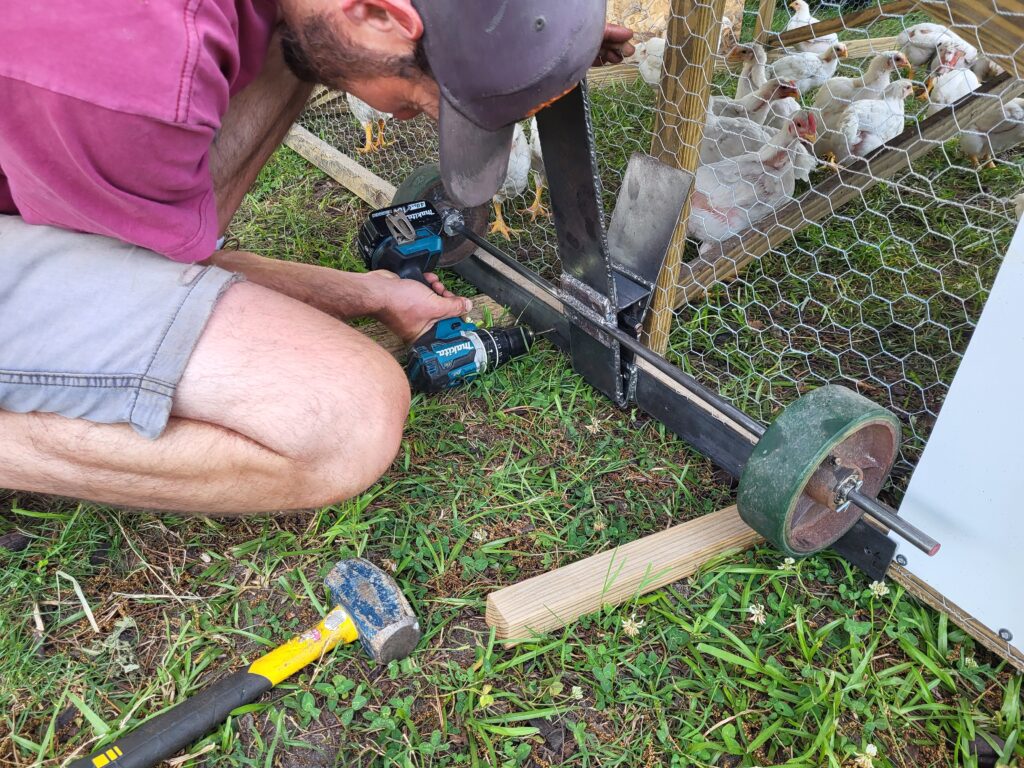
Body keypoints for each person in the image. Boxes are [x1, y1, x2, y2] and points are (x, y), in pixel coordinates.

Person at [0, 0, 633, 515]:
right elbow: (138, 277)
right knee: (348, 419)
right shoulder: (138, 73)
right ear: (377, 14)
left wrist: (531, 40)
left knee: (305, 44)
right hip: (74, 163)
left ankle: (153, 212)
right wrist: (368, 294)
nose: (410, 114)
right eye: (416, 102)